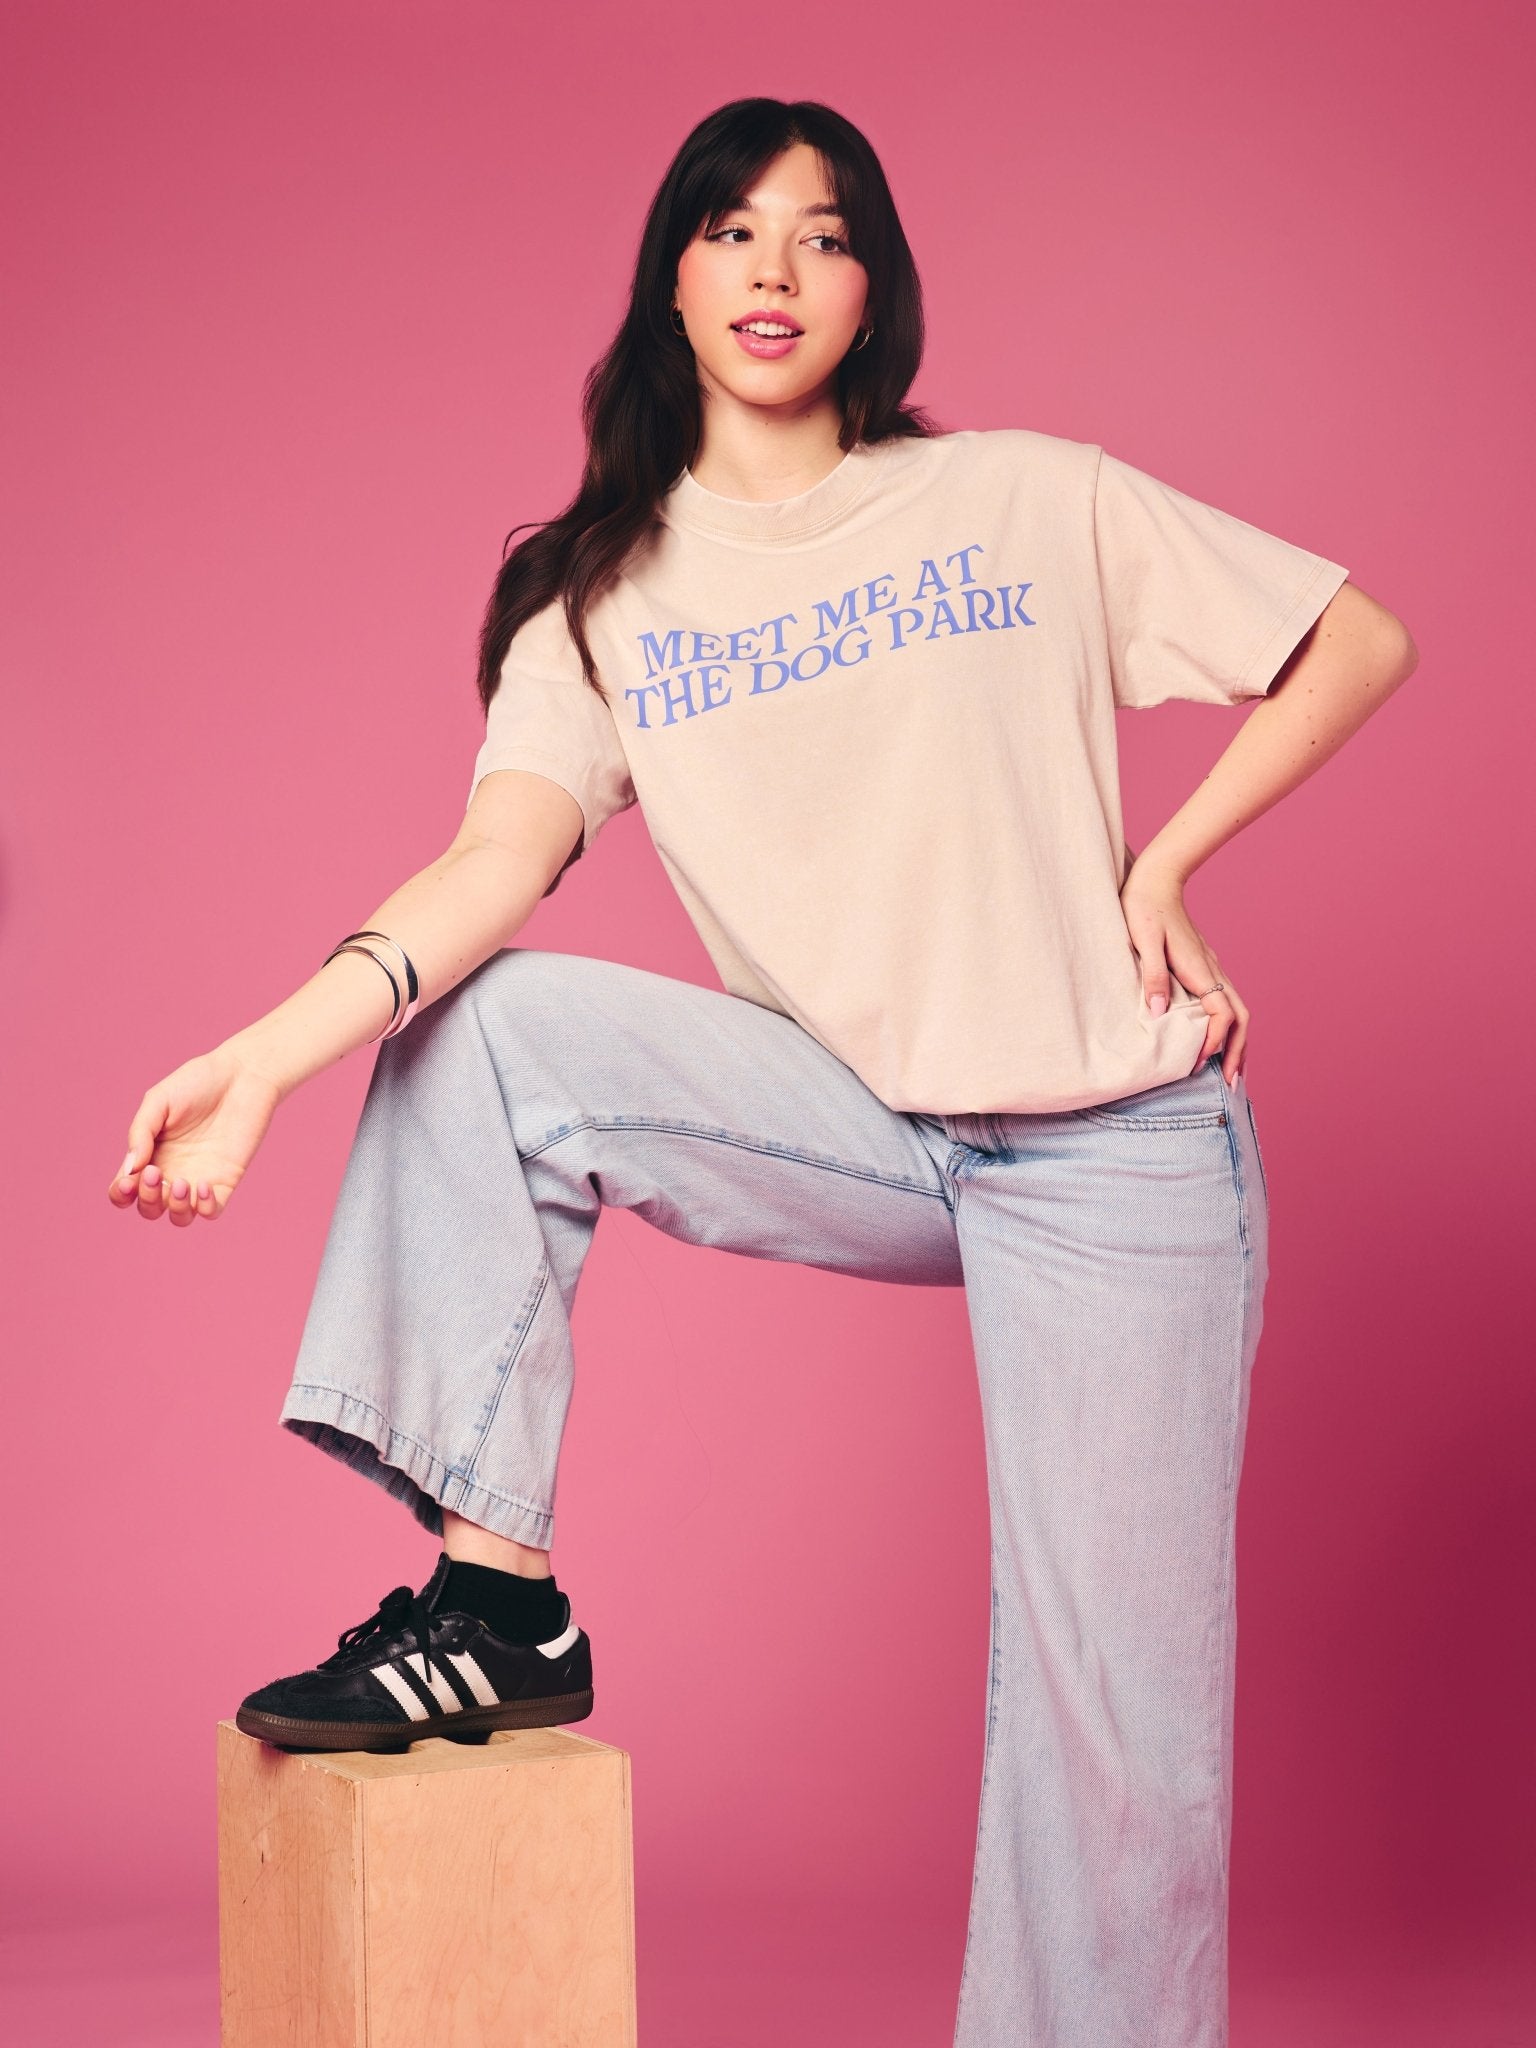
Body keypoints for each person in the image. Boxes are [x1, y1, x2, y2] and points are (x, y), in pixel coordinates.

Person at [107, 96, 1416, 2048]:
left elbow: (1355, 636)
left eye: (820, 234)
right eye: (730, 231)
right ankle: (498, 1603)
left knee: (1113, 1742)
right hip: (871, 1122)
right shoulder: (597, 595)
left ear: (872, 283)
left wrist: (1164, 860)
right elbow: (495, 866)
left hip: (1118, 1143)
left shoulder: (1022, 500)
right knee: (496, 1024)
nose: (775, 271)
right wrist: (271, 1056)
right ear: (672, 277)